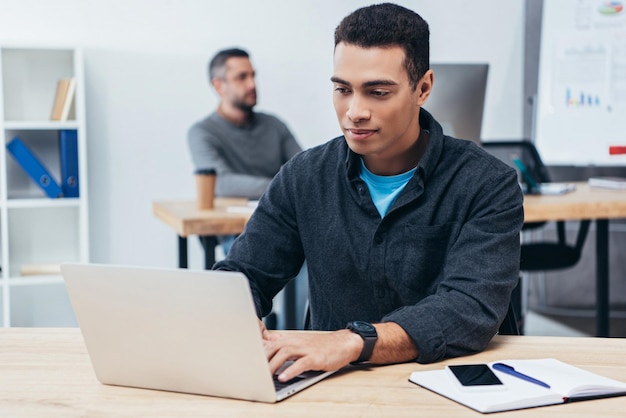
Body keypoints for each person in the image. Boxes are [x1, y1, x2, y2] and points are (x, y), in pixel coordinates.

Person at [214, 3, 524, 383]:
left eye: (377, 92)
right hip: (335, 387)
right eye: (343, 89)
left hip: (455, 386)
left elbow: (467, 308)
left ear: (423, 88)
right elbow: (245, 275)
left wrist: (353, 342)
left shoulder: (487, 183)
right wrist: (233, 316)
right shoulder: (304, 177)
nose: (354, 111)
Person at [188, 47, 302, 254]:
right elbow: (221, 183)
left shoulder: (274, 125)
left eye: (253, 75)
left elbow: (304, 173)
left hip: (286, 220)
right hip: (240, 231)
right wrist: (283, 187)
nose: (252, 84)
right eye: (241, 77)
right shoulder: (202, 132)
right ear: (218, 86)